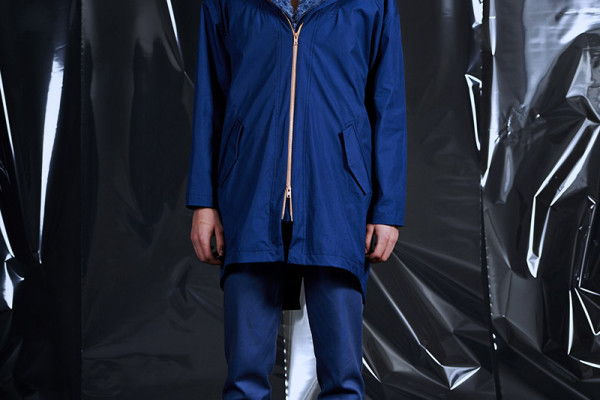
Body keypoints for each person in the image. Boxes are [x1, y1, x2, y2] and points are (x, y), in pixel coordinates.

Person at [186, 0, 407, 398]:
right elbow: (210, 99)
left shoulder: (373, 3)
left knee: (343, 377)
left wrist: (387, 209)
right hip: (249, 196)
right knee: (244, 376)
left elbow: (388, 105)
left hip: (337, 198)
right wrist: (204, 202)